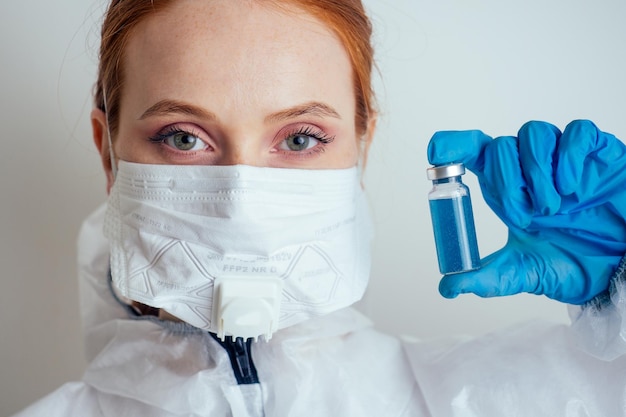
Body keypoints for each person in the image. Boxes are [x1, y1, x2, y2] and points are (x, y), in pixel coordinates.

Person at [13, 0, 626, 415]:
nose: (241, 203)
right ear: (107, 152)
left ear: (362, 146)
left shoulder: (508, 396)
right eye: (182, 137)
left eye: (300, 138)